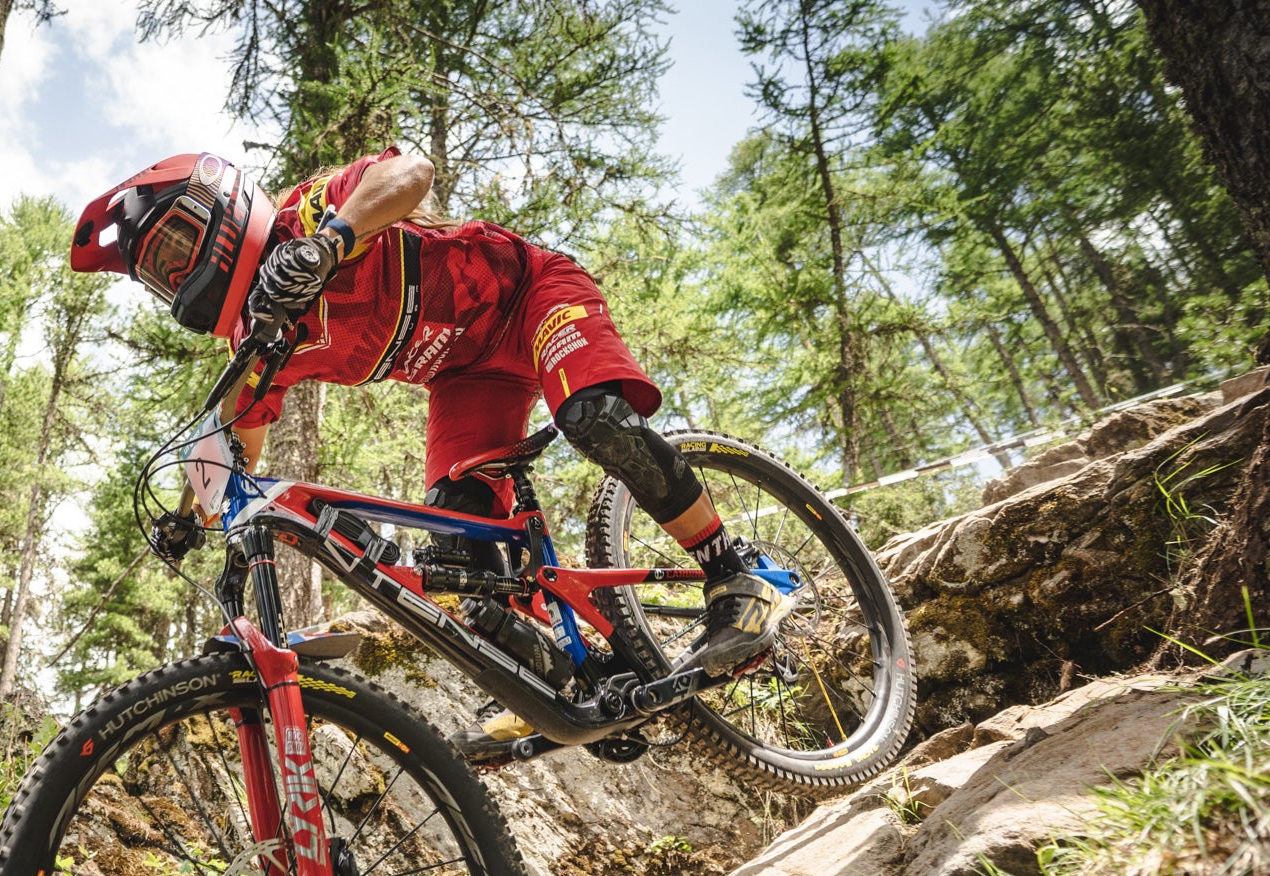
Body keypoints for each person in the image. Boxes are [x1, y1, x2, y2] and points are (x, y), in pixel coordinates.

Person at [70, 149, 793, 757]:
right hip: (468, 376)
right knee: (456, 568)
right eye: (160, 274)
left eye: (175, 247)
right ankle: (576, 681)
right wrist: (193, 515)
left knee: (592, 417)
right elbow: (239, 450)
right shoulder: (262, 342)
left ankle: (735, 575)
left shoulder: (309, 213)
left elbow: (412, 171)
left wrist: (329, 241)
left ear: (219, 205)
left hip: (533, 295)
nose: (177, 274)